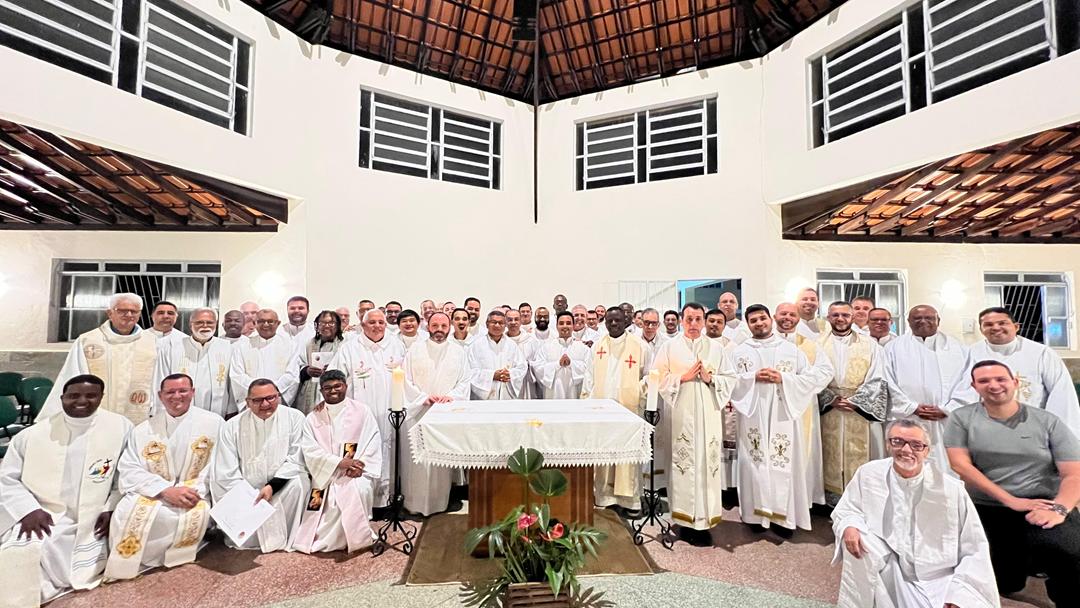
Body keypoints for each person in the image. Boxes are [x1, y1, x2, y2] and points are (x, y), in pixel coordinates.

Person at [945, 360, 1080, 605]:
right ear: (974, 387)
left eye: (1000, 379)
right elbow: (960, 465)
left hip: (1043, 502)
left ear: (1015, 382)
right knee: (996, 575)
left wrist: (1060, 509)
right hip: (987, 506)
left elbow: (1074, 473)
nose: (993, 385)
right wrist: (1012, 501)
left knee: (1069, 550)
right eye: (984, 381)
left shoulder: (1047, 421)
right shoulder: (961, 419)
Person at [832, 419, 999, 608]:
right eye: (897, 441)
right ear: (888, 444)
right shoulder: (869, 473)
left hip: (936, 575)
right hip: (886, 566)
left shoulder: (950, 490)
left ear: (927, 450)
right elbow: (848, 508)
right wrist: (849, 525)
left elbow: (974, 546)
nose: (906, 450)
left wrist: (959, 595)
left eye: (916, 445)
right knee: (863, 540)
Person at [0, 375, 131, 607]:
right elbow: (7, 478)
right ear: (62, 398)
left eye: (91, 395)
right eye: (74, 395)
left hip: (94, 515)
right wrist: (28, 510)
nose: (82, 401)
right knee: (19, 552)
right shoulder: (32, 435)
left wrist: (112, 507)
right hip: (44, 513)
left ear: (101, 397)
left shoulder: (121, 428)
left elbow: (126, 474)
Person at [104, 373, 222, 579]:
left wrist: (191, 490)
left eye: (183, 391)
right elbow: (129, 468)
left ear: (192, 392)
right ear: (160, 395)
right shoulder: (143, 430)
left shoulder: (214, 423)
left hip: (195, 491)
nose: (177, 396)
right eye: (170, 392)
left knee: (170, 516)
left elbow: (220, 463)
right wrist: (164, 490)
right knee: (125, 510)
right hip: (156, 491)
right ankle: (136, 562)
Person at [730, 305, 831, 535]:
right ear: (748, 324)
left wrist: (783, 378)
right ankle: (755, 516)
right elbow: (729, 381)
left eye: (762, 318)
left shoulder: (791, 351)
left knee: (782, 462)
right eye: (753, 320)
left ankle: (782, 519)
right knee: (754, 463)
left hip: (783, 414)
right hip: (752, 414)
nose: (759, 323)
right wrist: (752, 377)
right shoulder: (739, 352)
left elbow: (811, 378)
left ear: (770, 319)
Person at [651, 303, 735, 542]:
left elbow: (730, 378)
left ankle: (706, 520)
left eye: (698, 319)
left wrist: (710, 379)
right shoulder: (669, 347)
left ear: (704, 321)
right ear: (681, 320)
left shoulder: (716, 348)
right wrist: (682, 377)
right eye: (689, 319)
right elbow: (656, 378)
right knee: (683, 463)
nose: (694, 324)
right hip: (681, 417)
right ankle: (684, 521)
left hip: (708, 418)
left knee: (706, 464)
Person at [948, 307, 1080, 438]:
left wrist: (1062, 436)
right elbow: (963, 391)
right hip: (984, 430)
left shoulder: (1041, 353)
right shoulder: (971, 353)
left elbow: (1061, 394)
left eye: (1002, 323)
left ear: (1016, 327)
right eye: (988, 324)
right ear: (981, 330)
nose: (995, 328)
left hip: (1032, 430)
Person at [212, 379, 308, 553]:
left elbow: (297, 458)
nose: (265, 404)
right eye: (257, 400)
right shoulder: (232, 426)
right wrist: (247, 493)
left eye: (270, 398)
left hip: (281, 485)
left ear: (278, 396)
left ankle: (292, 535)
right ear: (247, 402)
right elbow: (225, 469)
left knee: (299, 483)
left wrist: (272, 486)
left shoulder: (295, 418)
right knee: (243, 527)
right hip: (246, 489)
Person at [42, 293, 168, 425]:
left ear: (139, 314)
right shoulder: (88, 341)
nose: (129, 315)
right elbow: (73, 375)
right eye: (122, 311)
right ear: (110, 313)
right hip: (95, 415)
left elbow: (160, 379)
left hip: (140, 414)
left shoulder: (152, 342)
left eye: (134, 311)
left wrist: (160, 411)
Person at [294, 371, 382, 554]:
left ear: (345, 386)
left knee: (359, 488)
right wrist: (338, 463)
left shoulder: (361, 411)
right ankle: (331, 540)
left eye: (337, 386)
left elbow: (372, 441)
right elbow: (309, 450)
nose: (333, 391)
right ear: (321, 391)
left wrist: (360, 465)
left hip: (355, 472)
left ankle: (357, 538)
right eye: (327, 388)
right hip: (324, 473)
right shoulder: (313, 417)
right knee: (325, 498)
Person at [329, 308, 405, 508]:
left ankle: (389, 500)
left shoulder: (396, 346)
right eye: (372, 322)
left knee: (390, 452)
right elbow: (336, 378)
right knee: (363, 451)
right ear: (362, 325)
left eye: (381, 322)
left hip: (391, 412)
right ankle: (364, 503)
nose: (377, 326)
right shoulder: (349, 349)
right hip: (360, 415)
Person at [582, 306, 651, 514]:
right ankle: (604, 496)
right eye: (610, 321)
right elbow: (589, 377)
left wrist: (636, 390)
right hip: (601, 410)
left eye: (617, 320)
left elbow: (649, 375)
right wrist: (587, 402)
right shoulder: (598, 346)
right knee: (604, 454)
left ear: (626, 321)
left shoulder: (640, 346)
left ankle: (630, 501)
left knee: (627, 456)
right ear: (605, 323)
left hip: (629, 411)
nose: (613, 324)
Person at [884, 305, 968, 475]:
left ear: (938, 320)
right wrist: (911, 407)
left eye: (929, 318)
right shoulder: (893, 348)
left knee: (946, 468)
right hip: (908, 418)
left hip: (946, 421)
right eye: (917, 318)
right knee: (907, 463)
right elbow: (887, 381)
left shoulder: (959, 348)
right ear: (908, 322)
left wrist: (947, 409)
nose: (923, 321)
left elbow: (967, 382)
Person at [401, 312, 471, 516]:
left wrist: (451, 397)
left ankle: (440, 503)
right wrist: (423, 397)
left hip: (444, 414)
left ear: (449, 327)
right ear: (427, 326)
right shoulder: (415, 350)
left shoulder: (458, 352)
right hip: (419, 413)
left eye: (443, 326)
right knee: (417, 463)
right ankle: (413, 504)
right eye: (435, 325)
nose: (439, 329)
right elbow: (405, 380)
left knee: (439, 462)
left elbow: (465, 380)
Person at [818, 301, 888, 503]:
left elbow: (878, 376)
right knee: (828, 452)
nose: (840, 319)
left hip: (858, 408)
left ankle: (859, 499)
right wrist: (830, 398)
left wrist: (857, 401)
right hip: (829, 408)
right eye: (835, 315)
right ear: (828, 317)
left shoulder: (870, 345)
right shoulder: (817, 344)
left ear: (853, 317)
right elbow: (809, 375)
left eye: (845, 315)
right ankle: (830, 499)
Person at [775, 301, 829, 505]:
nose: (787, 318)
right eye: (783, 314)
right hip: (773, 407)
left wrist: (793, 382)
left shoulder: (810, 345)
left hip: (803, 407)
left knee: (801, 452)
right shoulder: (765, 343)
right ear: (774, 317)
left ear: (798, 318)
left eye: (792, 314)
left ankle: (800, 501)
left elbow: (826, 371)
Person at [165, 308, 234, 417]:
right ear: (190, 324)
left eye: (209, 322)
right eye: (199, 322)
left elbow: (232, 383)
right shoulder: (174, 347)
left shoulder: (227, 347)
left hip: (217, 413)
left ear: (216, 324)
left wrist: (231, 410)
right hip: (180, 412)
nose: (205, 326)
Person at [229, 309, 299, 412]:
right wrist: (257, 391)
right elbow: (237, 374)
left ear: (278, 323)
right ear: (255, 323)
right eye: (261, 321)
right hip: (253, 400)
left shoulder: (290, 345)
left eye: (270, 321)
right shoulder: (242, 346)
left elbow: (292, 374)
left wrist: (272, 391)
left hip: (277, 399)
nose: (266, 324)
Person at [292, 310, 345, 414]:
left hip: (334, 389)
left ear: (338, 325)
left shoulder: (344, 344)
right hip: (311, 389)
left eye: (331, 323)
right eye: (322, 323)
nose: (326, 326)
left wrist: (333, 369)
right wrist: (307, 370)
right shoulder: (309, 344)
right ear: (316, 326)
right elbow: (299, 364)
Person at [468, 310, 527, 400]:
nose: (497, 325)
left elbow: (522, 367)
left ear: (505, 325)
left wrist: (509, 374)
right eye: (494, 322)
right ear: (487, 324)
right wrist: (492, 375)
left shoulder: (512, 345)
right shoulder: (476, 345)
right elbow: (469, 371)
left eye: (501, 323)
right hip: (484, 398)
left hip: (506, 395)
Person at [536, 311, 591, 399]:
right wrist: (557, 364)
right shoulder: (546, 347)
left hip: (575, 394)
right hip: (553, 394)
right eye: (561, 323)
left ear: (573, 325)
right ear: (556, 326)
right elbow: (538, 369)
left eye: (568, 323)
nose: (565, 326)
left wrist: (571, 364)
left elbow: (589, 370)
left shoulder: (583, 348)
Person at [505, 309, 541, 398]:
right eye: (510, 319)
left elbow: (538, 363)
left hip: (527, 382)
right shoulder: (502, 341)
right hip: (507, 382)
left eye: (516, 319)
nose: (513, 322)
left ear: (521, 321)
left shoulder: (531, 341)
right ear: (505, 322)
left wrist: (527, 365)